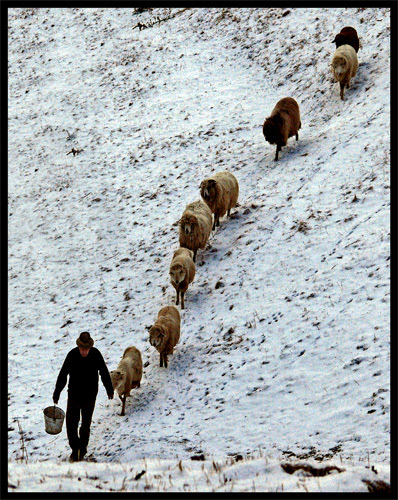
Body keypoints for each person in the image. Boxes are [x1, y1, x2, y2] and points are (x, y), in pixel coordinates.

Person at [53, 331, 114, 462]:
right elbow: (63, 374)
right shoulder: (72, 355)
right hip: (74, 395)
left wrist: (109, 389)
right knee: (71, 423)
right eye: (82, 349)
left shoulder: (96, 354)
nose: (84, 352)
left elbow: (104, 371)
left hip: (90, 396)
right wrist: (57, 392)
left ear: (90, 347)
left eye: (87, 349)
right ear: (78, 347)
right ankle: (75, 450)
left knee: (85, 425)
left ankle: (82, 451)